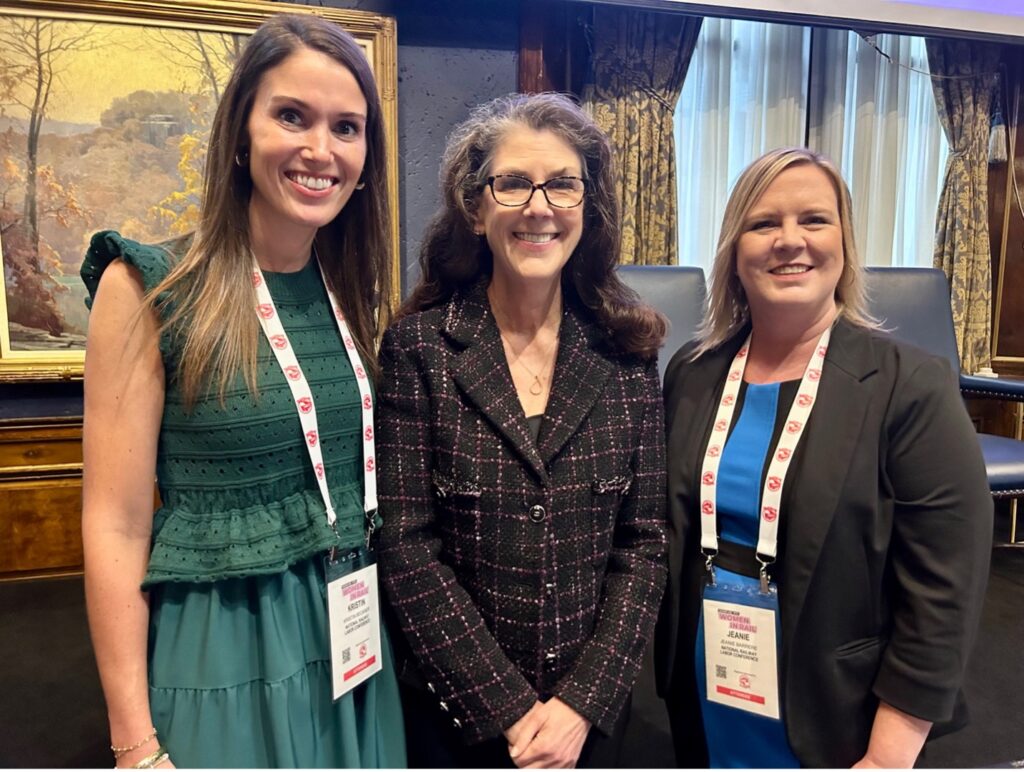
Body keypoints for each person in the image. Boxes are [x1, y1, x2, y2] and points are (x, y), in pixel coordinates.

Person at [79, 13, 405, 768]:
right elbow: (115, 525)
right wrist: (133, 743)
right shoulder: (148, 286)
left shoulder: (353, 291)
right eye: (292, 116)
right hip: (224, 646)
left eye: (347, 127)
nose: (321, 149)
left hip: (352, 637)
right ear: (239, 132)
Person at [654, 147, 992, 768]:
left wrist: (889, 755)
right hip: (706, 676)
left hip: (834, 703)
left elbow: (944, 588)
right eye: (763, 224)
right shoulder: (694, 371)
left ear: (844, 243)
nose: (790, 241)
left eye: (814, 220)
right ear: (735, 249)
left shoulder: (908, 384)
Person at [375, 92, 668, 769]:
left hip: (587, 727)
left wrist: (579, 707)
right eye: (513, 183)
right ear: (477, 209)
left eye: (563, 184)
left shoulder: (628, 355)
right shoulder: (420, 349)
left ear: (586, 209)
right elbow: (407, 547)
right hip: (458, 722)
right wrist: (506, 709)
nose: (540, 207)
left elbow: (644, 546)